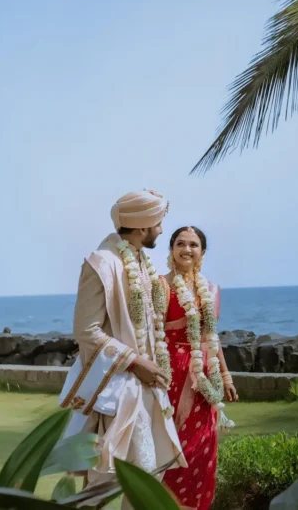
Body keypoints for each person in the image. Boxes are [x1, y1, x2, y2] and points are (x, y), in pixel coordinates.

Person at [59, 189, 186, 504]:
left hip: (148, 387)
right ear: (143, 226)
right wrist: (135, 363)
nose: (161, 230)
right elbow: (86, 330)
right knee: (104, 478)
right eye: (158, 223)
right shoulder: (101, 263)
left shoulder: (143, 262)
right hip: (115, 388)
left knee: (148, 476)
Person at [161, 226, 238, 510]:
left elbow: (211, 337)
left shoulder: (211, 290)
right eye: (180, 243)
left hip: (205, 378)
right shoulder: (160, 285)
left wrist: (226, 376)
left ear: (202, 252)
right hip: (169, 374)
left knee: (200, 449)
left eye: (193, 245)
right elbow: (149, 333)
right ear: (171, 250)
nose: (187, 249)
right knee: (170, 445)